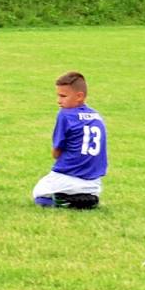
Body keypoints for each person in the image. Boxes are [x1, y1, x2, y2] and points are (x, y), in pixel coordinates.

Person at [32, 71, 107, 209]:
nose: (58, 100)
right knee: (85, 190)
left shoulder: (65, 115)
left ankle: (69, 203)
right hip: (94, 182)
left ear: (79, 96)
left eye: (63, 96)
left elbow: (57, 152)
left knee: (39, 195)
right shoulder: (96, 115)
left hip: (68, 174)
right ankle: (86, 198)